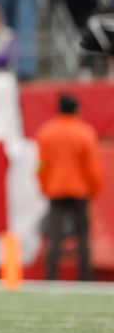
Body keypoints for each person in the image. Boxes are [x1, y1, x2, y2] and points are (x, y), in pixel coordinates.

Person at [36, 93, 103, 281]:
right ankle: (85, 277)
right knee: (83, 236)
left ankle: (51, 276)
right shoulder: (84, 133)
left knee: (55, 235)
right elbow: (92, 167)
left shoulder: (46, 132)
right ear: (75, 109)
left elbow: (41, 165)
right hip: (80, 191)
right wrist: (94, 188)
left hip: (55, 189)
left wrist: (44, 185)